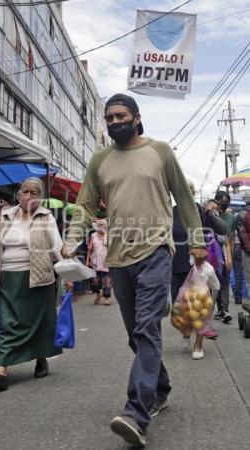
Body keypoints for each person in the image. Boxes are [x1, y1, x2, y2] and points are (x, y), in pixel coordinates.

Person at [61, 93, 207, 448]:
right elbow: (83, 205)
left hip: (156, 250)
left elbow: (184, 200)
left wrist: (198, 239)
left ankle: (135, 414)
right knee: (135, 334)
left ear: (137, 118)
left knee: (145, 329)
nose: (114, 122)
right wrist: (73, 238)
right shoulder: (100, 160)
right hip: (119, 258)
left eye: (120, 115)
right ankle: (160, 387)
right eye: (109, 117)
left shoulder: (159, 151)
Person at [0, 177, 63, 391]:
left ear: (41, 197)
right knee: (8, 324)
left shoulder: (46, 218)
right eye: (24, 191)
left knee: (39, 323)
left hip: (38, 277)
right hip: (8, 278)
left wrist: (68, 271)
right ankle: (1, 372)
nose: (27, 196)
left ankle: (40, 358)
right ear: (18, 193)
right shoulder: (7, 215)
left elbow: (56, 248)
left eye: (33, 193)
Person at [172, 189, 227, 358]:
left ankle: (198, 345)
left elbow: (222, 229)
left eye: (189, 191)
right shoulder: (170, 212)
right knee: (179, 309)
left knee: (201, 307)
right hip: (177, 264)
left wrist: (211, 213)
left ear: (194, 193)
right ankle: (186, 331)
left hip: (200, 264)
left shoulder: (202, 211)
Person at [213, 191, 234, 322]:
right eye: (221, 201)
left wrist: (229, 256)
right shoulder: (209, 217)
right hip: (212, 256)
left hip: (225, 253)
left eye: (226, 201)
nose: (223, 204)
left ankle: (224, 309)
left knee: (224, 283)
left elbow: (229, 238)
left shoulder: (230, 217)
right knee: (214, 284)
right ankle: (216, 309)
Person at [86, 218, 111, 306]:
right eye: (103, 226)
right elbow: (89, 249)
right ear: (99, 226)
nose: (105, 227)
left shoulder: (108, 235)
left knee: (106, 280)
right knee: (94, 281)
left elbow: (107, 245)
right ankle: (98, 295)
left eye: (105, 226)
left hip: (105, 262)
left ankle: (107, 298)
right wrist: (87, 261)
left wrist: (105, 235)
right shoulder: (93, 236)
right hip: (95, 262)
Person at [236, 190, 250, 300]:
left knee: (249, 280)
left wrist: (248, 249)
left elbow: (242, 235)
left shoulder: (241, 215)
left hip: (248, 252)